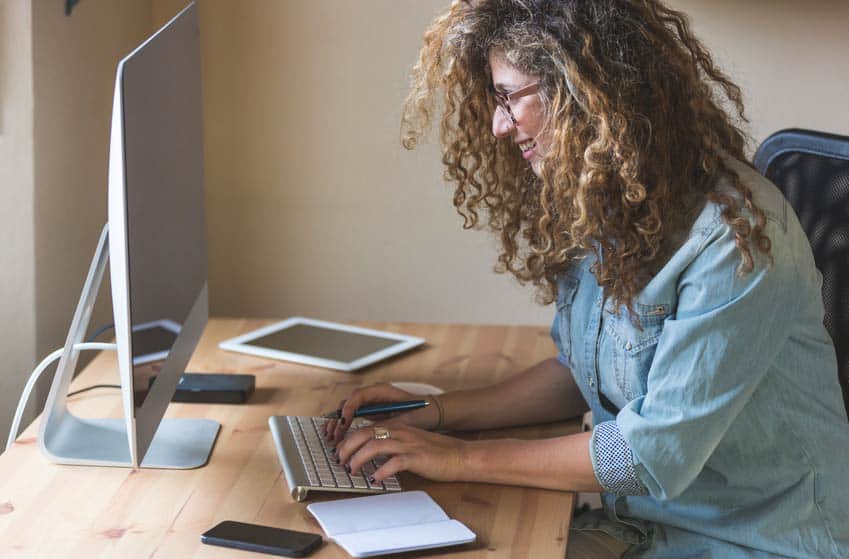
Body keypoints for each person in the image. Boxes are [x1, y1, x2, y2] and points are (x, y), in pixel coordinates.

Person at [322, 1, 849, 557]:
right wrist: (437, 413)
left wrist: (457, 457)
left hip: (760, 542)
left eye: (509, 96)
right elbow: (582, 376)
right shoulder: (613, 200)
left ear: (580, 90)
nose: (499, 125)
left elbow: (649, 454)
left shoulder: (734, 239)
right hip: (640, 527)